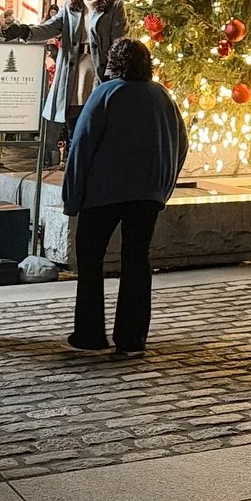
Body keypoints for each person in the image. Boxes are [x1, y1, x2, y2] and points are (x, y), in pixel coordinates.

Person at [62, 38, 188, 356]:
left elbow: (82, 146)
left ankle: (90, 332)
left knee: (90, 258)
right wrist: (163, 185)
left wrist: (72, 197)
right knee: (137, 259)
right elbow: (181, 142)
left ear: (114, 63)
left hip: (102, 193)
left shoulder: (105, 93)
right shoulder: (162, 96)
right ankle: (132, 339)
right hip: (147, 195)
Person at [7, 0, 127, 165]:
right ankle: (72, 161)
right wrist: (25, 31)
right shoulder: (71, 7)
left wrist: (112, 71)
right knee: (72, 117)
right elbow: (50, 27)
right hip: (72, 68)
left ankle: (91, 164)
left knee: (95, 118)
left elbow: (119, 40)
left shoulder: (114, 7)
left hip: (97, 70)